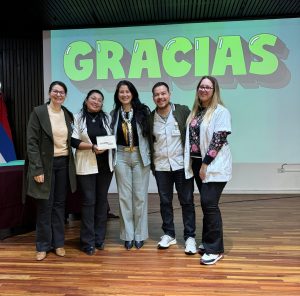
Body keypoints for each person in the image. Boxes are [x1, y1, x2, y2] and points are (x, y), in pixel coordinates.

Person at [26, 81, 76, 261]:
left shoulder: (67, 114)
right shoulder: (38, 112)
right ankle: (42, 246)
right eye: (55, 91)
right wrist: (37, 169)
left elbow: (73, 140)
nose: (58, 95)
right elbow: (31, 143)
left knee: (59, 206)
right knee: (44, 206)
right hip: (45, 166)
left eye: (62, 92)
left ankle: (58, 244)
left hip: (63, 164)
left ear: (65, 95)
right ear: (49, 93)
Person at [184, 76, 232, 265]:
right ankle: (207, 242)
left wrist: (205, 164)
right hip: (197, 164)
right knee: (206, 205)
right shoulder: (196, 112)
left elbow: (218, 139)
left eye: (208, 87)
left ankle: (215, 249)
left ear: (214, 90)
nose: (204, 90)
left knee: (209, 204)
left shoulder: (221, 111)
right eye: (201, 86)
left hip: (212, 164)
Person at [149, 82, 197, 255]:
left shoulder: (182, 111)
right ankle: (169, 234)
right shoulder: (150, 117)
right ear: (153, 97)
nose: (160, 97)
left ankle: (190, 237)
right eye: (156, 94)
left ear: (169, 94)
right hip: (161, 166)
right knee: (165, 202)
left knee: (186, 201)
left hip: (181, 165)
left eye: (163, 93)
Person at [71, 89, 114, 255]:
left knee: (102, 201)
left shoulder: (107, 118)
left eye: (100, 100)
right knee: (89, 201)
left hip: (105, 166)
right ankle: (87, 242)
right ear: (87, 99)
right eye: (93, 98)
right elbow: (73, 141)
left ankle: (99, 239)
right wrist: (92, 147)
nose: (96, 102)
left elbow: (112, 138)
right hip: (86, 164)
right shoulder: (77, 117)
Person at [111, 80, 151, 250]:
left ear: (133, 93)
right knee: (124, 197)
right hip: (121, 155)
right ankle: (128, 235)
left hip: (140, 155)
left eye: (127, 91)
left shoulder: (143, 111)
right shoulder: (113, 114)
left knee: (140, 197)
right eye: (121, 92)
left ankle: (140, 235)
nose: (125, 94)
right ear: (117, 95)